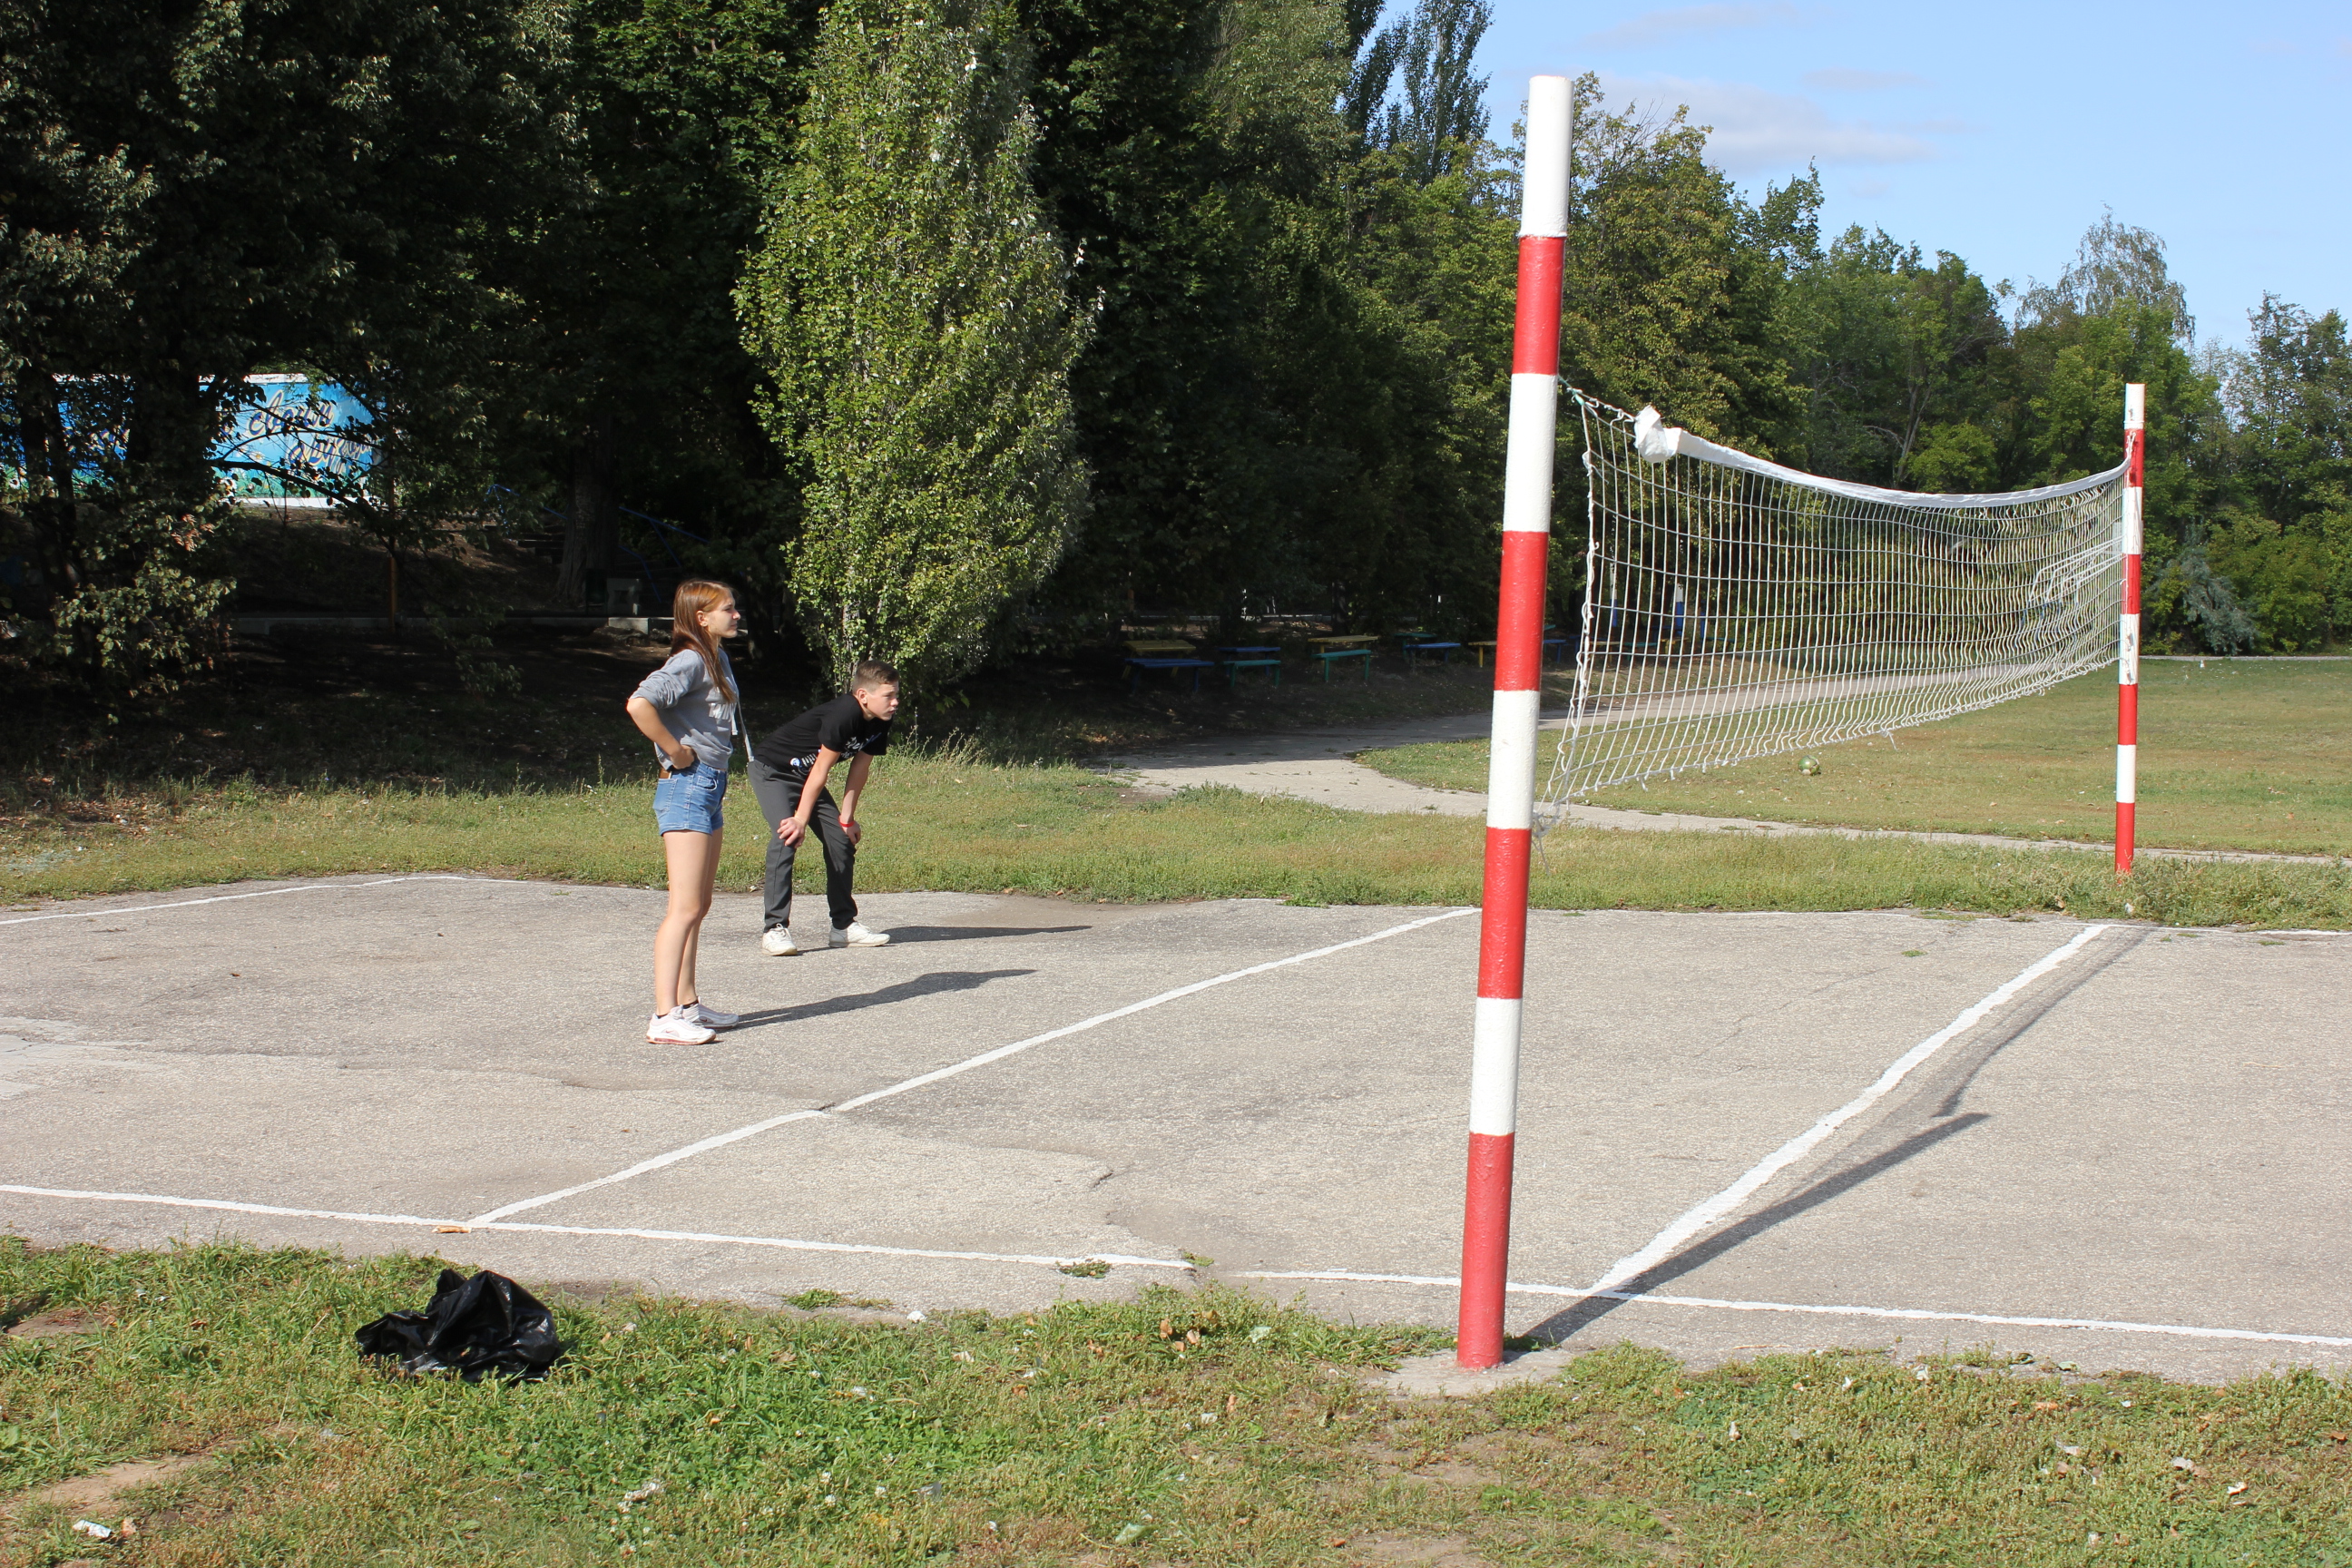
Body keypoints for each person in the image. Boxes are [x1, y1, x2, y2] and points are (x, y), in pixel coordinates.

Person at [623, 581, 746, 1044]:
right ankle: (664, 1016)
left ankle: (688, 1005)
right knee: (684, 907)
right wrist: (675, 750)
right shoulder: (690, 659)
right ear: (701, 617)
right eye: (728, 609)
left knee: (701, 904)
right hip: (688, 787)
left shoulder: (716, 657)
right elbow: (639, 705)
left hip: (710, 786)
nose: (736, 615)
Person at [750, 661, 899, 955]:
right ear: (863, 695)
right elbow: (821, 769)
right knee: (787, 835)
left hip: (805, 777)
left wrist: (847, 818)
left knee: (841, 839)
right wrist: (800, 819)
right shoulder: (844, 714)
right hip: (773, 771)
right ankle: (774, 928)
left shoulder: (881, 719)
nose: (895, 702)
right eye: (888, 696)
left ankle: (843, 926)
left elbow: (860, 768)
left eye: (896, 695)